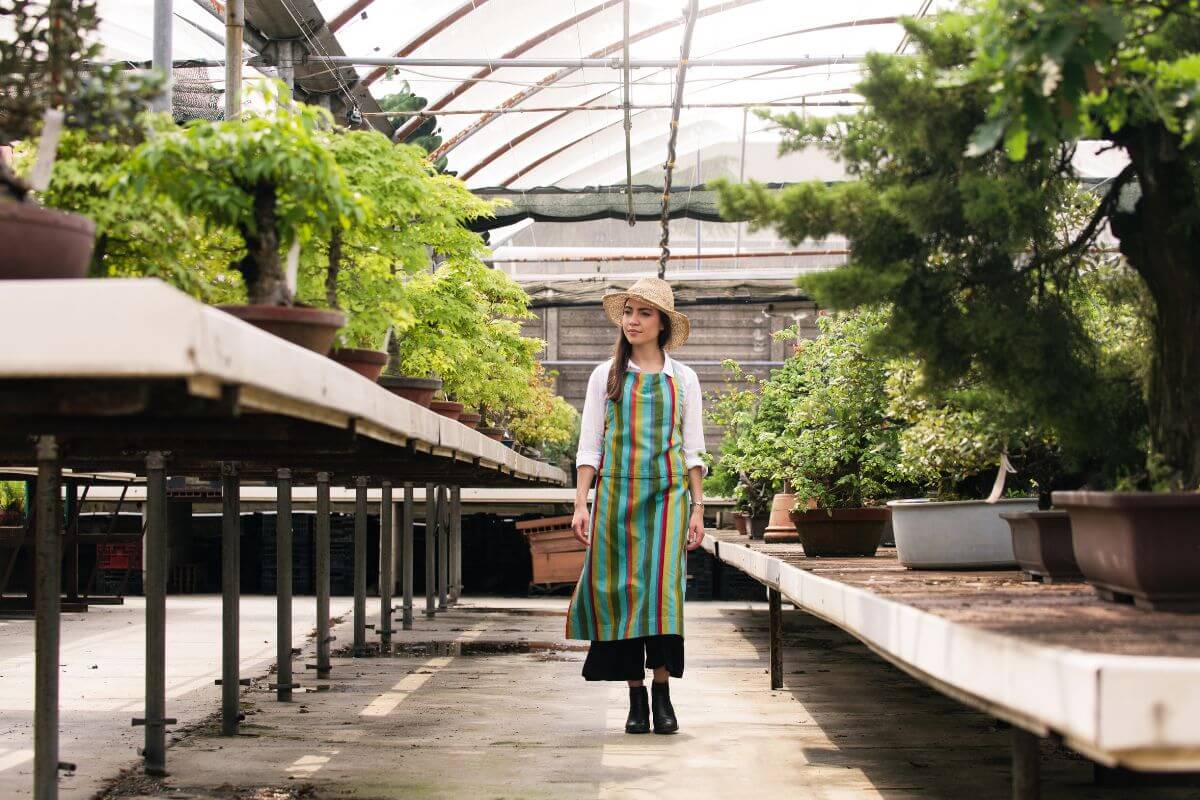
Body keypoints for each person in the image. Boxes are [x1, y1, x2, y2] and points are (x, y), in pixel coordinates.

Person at [565, 276, 707, 735]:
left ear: (663, 323)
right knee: (620, 595)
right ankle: (635, 697)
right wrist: (581, 502)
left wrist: (698, 508)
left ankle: (663, 692)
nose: (633, 321)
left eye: (644, 313)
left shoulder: (683, 379)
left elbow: (693, 449)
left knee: (663, 598)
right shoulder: (604, 375)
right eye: (629, 312)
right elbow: (591, 445)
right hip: (615, 498)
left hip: (667, 499)